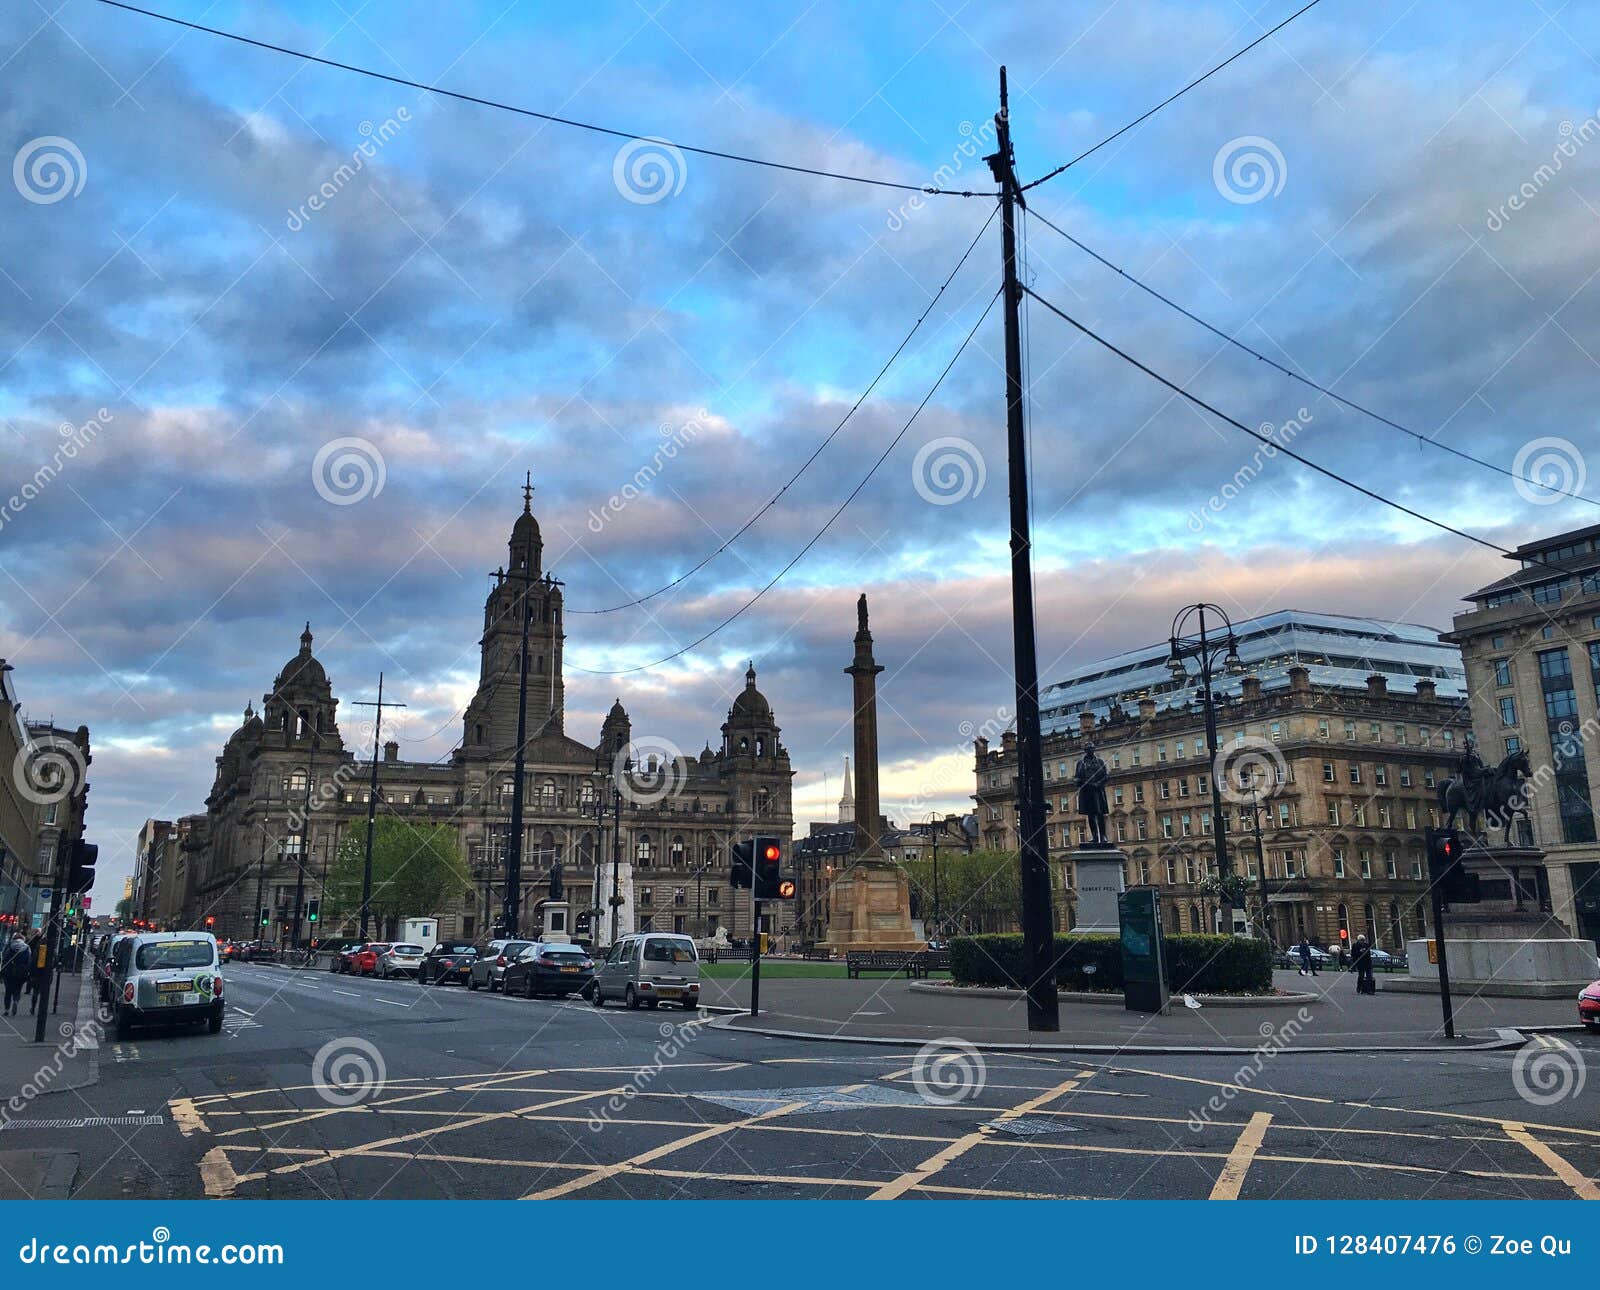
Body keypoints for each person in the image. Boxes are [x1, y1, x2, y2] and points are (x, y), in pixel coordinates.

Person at [1, 933, 29, 1016]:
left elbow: (5, 959)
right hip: (21, 972)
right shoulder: (26, 947)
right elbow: (28, 961)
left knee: (8, 991)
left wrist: (2, 971)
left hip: (9, 972)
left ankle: (6, 1009)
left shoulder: (10, 946)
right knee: (18, 989)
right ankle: (16, 1001)